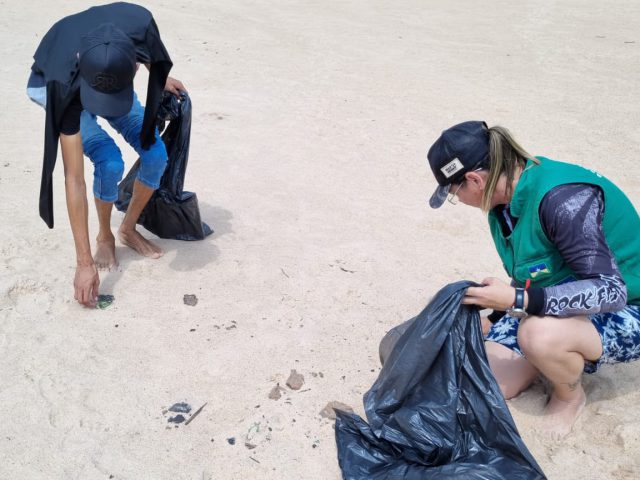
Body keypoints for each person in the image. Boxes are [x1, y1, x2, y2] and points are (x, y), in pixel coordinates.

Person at [427, 121, 640, 437]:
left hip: (627, 304)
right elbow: (534, 271)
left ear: (474, 180)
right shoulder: (502, 206)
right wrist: (495, 315)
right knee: (491, 384)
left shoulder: (563, 199)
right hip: (560, 298)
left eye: (455, 194)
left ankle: (568, 396)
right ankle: (553, 355)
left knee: (538, 335)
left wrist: (515, 301)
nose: (460, 201)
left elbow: (611, 290)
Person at [27, 3, 186, 308]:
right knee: (109, 160)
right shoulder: (63, 85)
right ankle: (104, 236)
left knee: (155, 154)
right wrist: (84, 263)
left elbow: (152, 53)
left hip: (109, 74)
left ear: (134, 64)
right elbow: (74, 179)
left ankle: (127, 229)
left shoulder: (140, 22)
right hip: (57, 84)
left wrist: (161, 77)